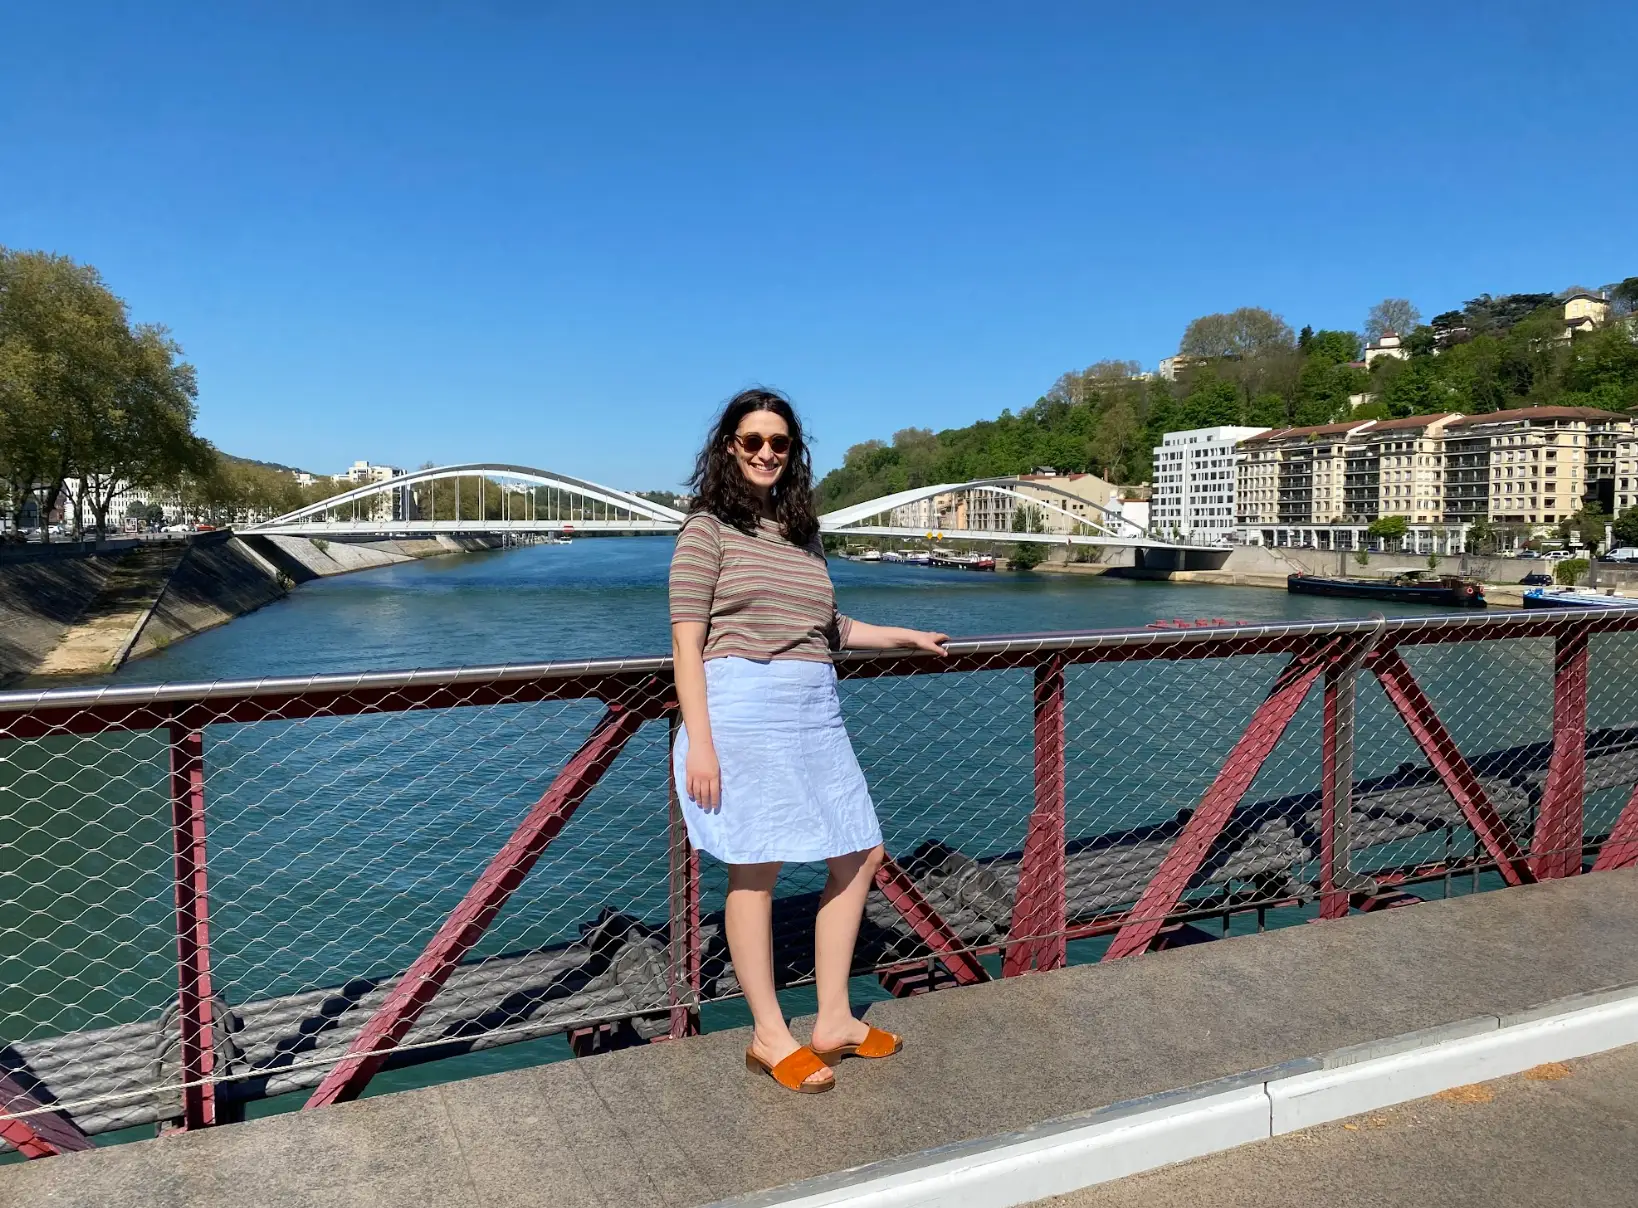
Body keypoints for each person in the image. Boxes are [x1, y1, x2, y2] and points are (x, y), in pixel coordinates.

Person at [670, 388, 948, 1093]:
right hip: (743, 708)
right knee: (753, 866)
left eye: (779, 443)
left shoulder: (802, 530)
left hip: (814, 706)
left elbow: (829, 626)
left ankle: (832, 1021)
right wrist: (700, 742)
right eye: (752, 441)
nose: (767, 453)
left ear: (793, 452)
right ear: (728, 448)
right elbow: (686, 642)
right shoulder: (706, 529)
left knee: (859, 851)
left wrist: (902, 636)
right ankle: (769, 1035)